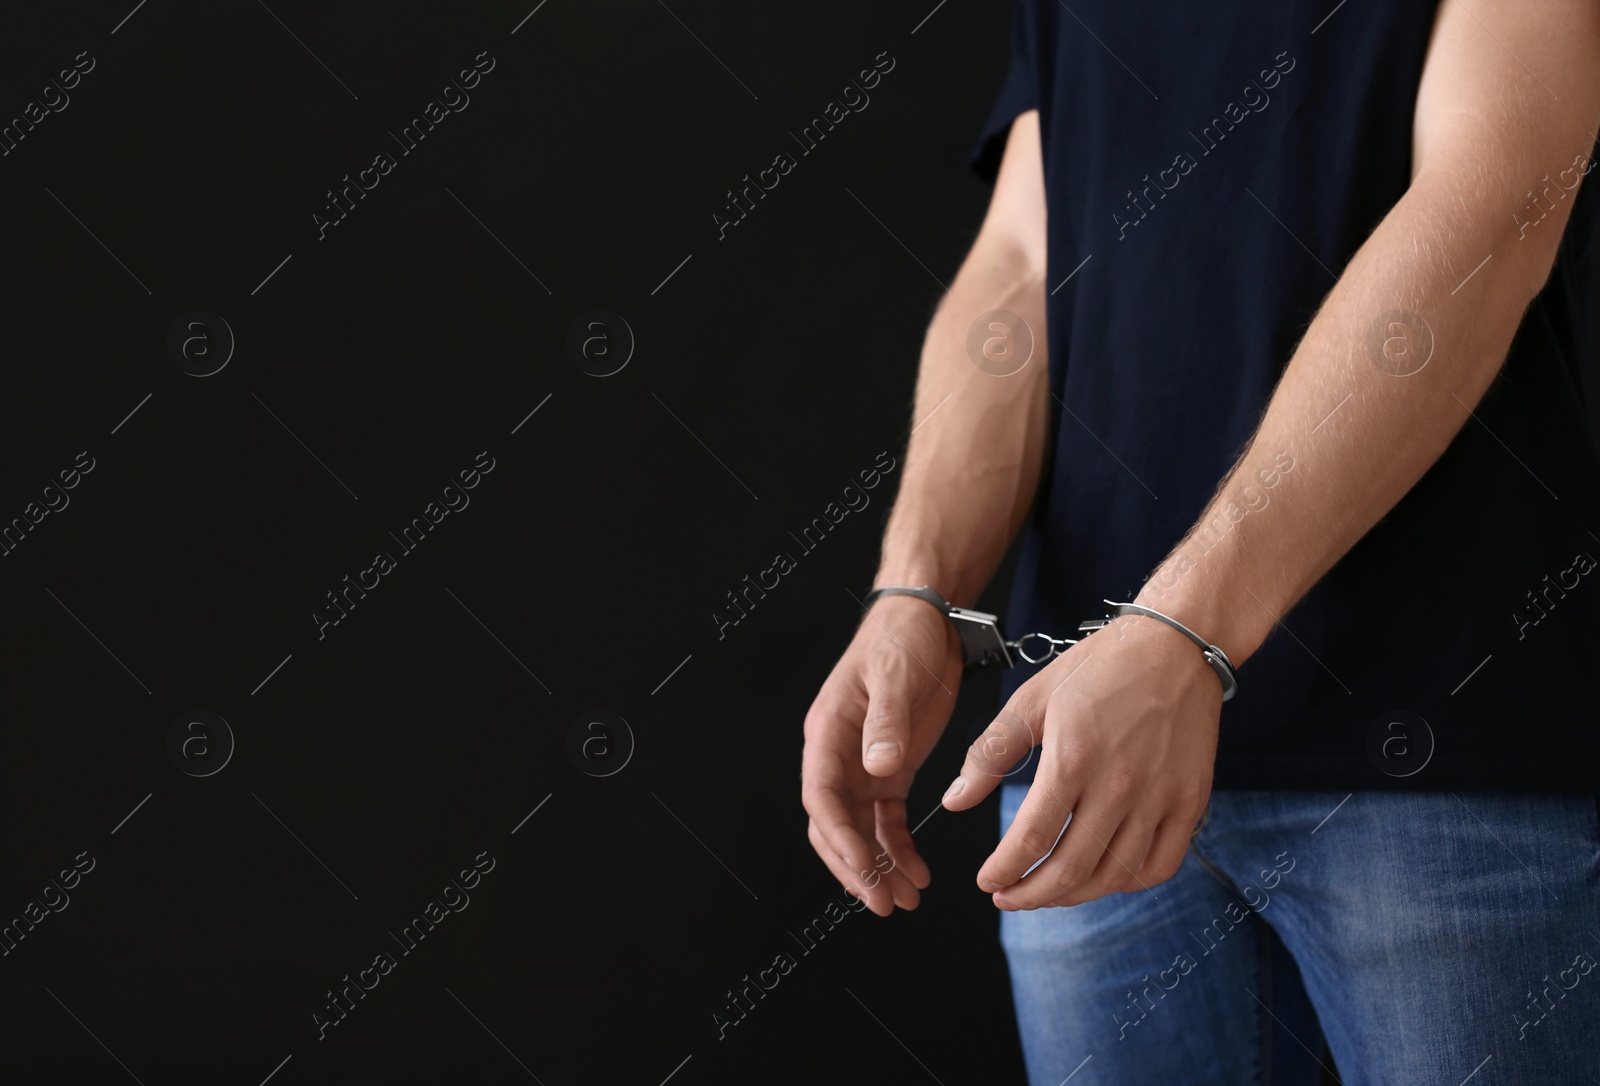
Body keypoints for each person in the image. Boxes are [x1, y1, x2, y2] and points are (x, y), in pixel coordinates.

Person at [799, 0, 1600, 1082]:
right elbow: (1024, 262)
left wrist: (1182, 628)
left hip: (1431, 741)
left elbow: (1492, 203)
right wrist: (919, 593)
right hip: (1077, 751)